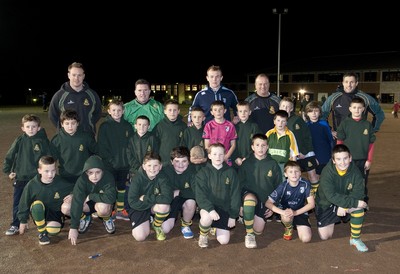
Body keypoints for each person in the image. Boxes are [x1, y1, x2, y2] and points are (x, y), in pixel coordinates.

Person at [2, 114, 53, 236]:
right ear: (23, 128)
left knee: (41, 201)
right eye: (28, 126)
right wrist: (8, 170)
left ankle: (44, 221)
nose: (31, 129)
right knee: (18, 202)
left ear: (39, 128)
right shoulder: (19, 140)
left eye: (34, 126)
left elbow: (49, 158)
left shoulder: (43, 141)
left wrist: (47, 173)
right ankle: (15, 223)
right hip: (21, 177)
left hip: (37, 179)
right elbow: (10, 155)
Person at [315, 144, 369, 252]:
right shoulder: (327, 172)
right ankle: (335, 217)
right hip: (327, 203)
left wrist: (344, 207)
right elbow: (331, 196)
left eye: (345, 158)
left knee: (359, 207)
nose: (343, 162)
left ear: (350, 158)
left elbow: (358, 194)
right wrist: (344, 205)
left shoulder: (356, 172)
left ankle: (355, 239)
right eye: (338, 159)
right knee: (325, 236)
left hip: (345, 200)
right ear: (333, 160)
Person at [238, 134, 282, 248]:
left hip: (265, 201)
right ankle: (249, 234)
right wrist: (239, 205)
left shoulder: (273, 164)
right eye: (257, 145)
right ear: (252, 147)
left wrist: (273, 206)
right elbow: (239, 185)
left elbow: (278, 187)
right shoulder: (246, 163)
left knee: (259, 230)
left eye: (263, 145)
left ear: (267, 147)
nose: (260, 148)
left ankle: (249, 218)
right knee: (249, 201)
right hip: (249, 196)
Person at [18, 156, 73, 245]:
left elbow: (75, 187)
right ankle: (42, 232)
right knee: (37, 205)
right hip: (40, 212)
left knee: (53, 231)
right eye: (46, 171)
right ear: (39, 170)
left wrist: (72, 194)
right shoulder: (32, 185)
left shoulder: (60, 182)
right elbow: (24, 202)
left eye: (53, 171)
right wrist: (23, 220)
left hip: (55, 212)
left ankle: (48, 225)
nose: (50, 175)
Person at [194, 143, 241, 248]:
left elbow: (235, 195)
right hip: (208, 208)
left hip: (224, 208)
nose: (218, 157)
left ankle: (213, 228)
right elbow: (200, 195)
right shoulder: (203, 173)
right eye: (214, 154)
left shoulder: (231, 172)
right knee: (206, 218)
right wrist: (210, 210)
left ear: (224, 155)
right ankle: (203, 235)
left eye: (221, 154)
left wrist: (233, 216)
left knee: (224, 241)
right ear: (209, 156)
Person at [66, 155, 117, 245]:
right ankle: (85, 217)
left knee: (103, 208)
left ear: (103, 171)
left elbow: (111, 197)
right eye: (91, 173)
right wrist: (73, 227)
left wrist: (91, 196)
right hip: (87, 205)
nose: (94, 176)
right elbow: (77, 201)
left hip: (101, 203)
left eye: (98, 172)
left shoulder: (108, 177)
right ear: (86, 172)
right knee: (66, 207)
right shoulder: (82, 180)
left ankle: (107, 218)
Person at [97, 99, 135, 221]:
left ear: (123, 111)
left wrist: (128, 161)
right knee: (110, 187)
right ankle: (110, 210)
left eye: (119, 110)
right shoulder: (105, 126)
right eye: (113, 110)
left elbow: (131, 145)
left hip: (124, 164)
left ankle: (120, 209)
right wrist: (111, 161)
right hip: (110, 165)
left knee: (122, 187)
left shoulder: (128, 126)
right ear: (109, 111)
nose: (116, 112)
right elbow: (102, 147)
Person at [336, 97, 376, 203]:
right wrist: (339, 158)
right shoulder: (345, 123)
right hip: (347, 160)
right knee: (346, 181)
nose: (357, 110)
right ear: (350, 109)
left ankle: (361, 201)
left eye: (359, 108)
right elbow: (339, 142)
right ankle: (346, 202)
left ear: (363, 109)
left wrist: (369, 160)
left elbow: (371, 144)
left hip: (362, 160)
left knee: (361, 181)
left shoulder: (367, 125)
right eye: (354, 107)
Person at [321, 72, 385, 138]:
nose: (349, 85)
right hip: (340, 138)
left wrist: (372, 130)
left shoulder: (366, 98)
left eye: (352, 82)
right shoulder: (333, 98)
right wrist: (329, 130)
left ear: (356, 83)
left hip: (359, 138)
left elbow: (379, 114)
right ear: (343, 83)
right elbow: (322, 114)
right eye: (346, 82)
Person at [127, 151, 173, 241]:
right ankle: (148, 219)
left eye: (155, 165)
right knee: (140, 237)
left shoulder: (163, 177)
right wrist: (157, 198)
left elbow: (168, 198)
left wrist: (145, 198)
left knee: (164, 206)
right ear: (144, 166)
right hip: (139, 208)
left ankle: (157, 225)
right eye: (149, 165)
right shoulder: (137, 179)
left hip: (149, 204)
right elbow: (132, 202)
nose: (152, 169)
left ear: (160, 166)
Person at [48, 62, 102, 136]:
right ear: (68, 75)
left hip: (87, 136)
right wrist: (65, 129)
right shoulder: (59, 95)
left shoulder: (92, 95)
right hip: (66, 137)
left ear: (83, 76)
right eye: (74, 75)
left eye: (79, 75)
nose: (76, 78)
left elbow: (97, 113)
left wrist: (88, 125)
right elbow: (53, 115)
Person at [266, 161, 315, 243]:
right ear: (285, 174)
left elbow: (312, 204)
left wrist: (295, 212)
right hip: (287, 212)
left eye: (296, 171)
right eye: (290, 172)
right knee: (286, 217)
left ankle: (304, 221)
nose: (294, 174)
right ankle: (288, 227)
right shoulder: (283, 186)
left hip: (299, 211)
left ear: (300, 173)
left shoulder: (305, 184)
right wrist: (282, 212)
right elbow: (268, 203)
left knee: (306, 239)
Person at [280, 97, 319, 195]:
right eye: (283, 106)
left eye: (287, 107)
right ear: (279, 107)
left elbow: (307, 136)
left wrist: (303, 151)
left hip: (304, 153)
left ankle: (318, 198)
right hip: (291, 156)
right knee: (293, 177)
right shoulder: (278, 121)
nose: (285, 108)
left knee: (312, 176)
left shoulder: (297, 120)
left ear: (291, 109)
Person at [51, 109, 98, 185]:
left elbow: (97, 151)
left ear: (77, 123)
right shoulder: (57, 140)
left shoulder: (86, 137)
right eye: (67, 123)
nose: (70, 126)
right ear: (62, 124)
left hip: (83, 175)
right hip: (65, 175)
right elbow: (52, 160)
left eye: (73, 123)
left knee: (82, 195)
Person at [162, 146, 197, 239]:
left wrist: (180, 192)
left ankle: (185, 225)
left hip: (184, 198)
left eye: (184, 161)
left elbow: (196, 191)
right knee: (165, 229)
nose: (180, 165)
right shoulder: (164, 169)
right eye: (177, 161)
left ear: (189, 161)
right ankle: (156, 217)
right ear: (171, 161)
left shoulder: (193, 171)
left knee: (191, 203)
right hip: (170, 199)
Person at [203, 100, 237, 166]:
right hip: (213, 159)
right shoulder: (208, 126)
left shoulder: (230, 125)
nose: (218, 112)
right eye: (215, 110)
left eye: (220, 109)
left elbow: (233, 145)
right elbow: (207, 146)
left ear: (225, 111)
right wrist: (212, 157)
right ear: (211, 112)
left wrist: (226, 156)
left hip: (225, 158)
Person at [266, 110, 299, 176]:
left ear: (286, 122)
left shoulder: (290, 135)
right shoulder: (269, 133)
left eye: (283, 121)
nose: (280, 123)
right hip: (270, 164)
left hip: (283, 165)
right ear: (274, 121)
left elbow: (294, 153)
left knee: (283, 184)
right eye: (278, 121)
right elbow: (263, 148)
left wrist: (292, 169)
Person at [153, 99, 187, 165]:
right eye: (170, 110)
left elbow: (185, 144)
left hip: (178, 162)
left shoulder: (183, 126)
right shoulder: (159, 126)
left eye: (175, 110)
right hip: (163, 161)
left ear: (178, 111)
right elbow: (155, 144)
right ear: (165, 111)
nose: (172, 112)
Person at [305, 101, 335, 175]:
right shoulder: (305, 126)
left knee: (324, 174)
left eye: (316, 111)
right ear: (307, 113)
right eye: (311, 111)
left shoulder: (324, 124)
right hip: (311, 154)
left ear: (320, 112)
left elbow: (330, 140)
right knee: (313, 175)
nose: (314, 113)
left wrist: (332, 153)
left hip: (324, 154)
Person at [232, 100, 261, 169]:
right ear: (237, 113)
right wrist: (235, 157)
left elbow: (258, 144)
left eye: (245, 111)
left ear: (250, 112)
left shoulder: (254, 127)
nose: (243, 113)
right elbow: (231, 144)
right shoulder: (234, 128)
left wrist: (248, 157)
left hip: (251, 160)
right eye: (240, 111)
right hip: (237, 161)